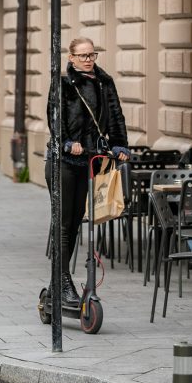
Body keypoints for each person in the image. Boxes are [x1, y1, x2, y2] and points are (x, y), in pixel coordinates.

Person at [46, 36, 129, 307]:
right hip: (64, 161)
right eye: (82, 55)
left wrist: (119, 145)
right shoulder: (63, 84)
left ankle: (58, 281)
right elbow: (54, 118)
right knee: (65, 222)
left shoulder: (105, 83)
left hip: (89, 160)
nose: (88, 60)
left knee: (76, 219)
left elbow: (116, 116)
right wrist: (68, 143)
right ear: (71, 58)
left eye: (92, 55)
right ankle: (63, 280)